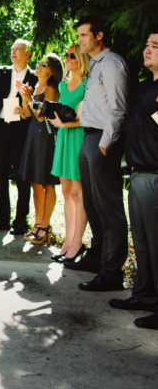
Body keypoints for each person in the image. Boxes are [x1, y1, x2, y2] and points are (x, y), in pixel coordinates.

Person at [72, 17, 129, 292]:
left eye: (84, 35)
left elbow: (118, 109)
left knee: (109, 208)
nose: (80, 40)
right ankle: (96, 259)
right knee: (92, 205)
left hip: (102, 141)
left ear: (99, 36)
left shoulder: (113, 64)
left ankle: (111, 273)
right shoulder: (94, 66)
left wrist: (105, 145)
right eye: (79, 35)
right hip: (88, 138)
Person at [112, 29, 158, 328]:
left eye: (155, 46)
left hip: (155, 177)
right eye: (147, 44)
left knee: (156, 243)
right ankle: (144, 295)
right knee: (141, 241)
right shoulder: (143, 88)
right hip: (137, 174)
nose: (147, 49)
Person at [0, 40, 37, 234]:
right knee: (0, 175)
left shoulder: (34, 77)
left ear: (28, 54)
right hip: (0, 129)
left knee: (21, 177)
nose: (13, 52)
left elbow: (39, 104)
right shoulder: (1, 71)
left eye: (18, 49)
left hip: (21, 130)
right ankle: (2, 220)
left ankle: (21, 222)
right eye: (12, 49)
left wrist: (27, 107)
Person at [48, 44, 89, 263]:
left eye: (72, 56)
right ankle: (68, 240)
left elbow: (86, 117)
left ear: (81, 58)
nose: (68, 59)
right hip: (63, 140)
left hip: (77, 138)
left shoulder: (87, 84)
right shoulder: (63, 85)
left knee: (78, 193)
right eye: (66, 55)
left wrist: (63, 125)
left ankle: (77, 242)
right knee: (66, 191)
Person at [17, 53, 63, 245]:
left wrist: (28, 97)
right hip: (33, 136)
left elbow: (42, 116)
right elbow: (30, 115)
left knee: (46, 183)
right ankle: (37, 223)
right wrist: (24, 99)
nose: (39, 66)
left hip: (45, 138)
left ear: (52, 71)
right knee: (35, 182)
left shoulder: (52, 89)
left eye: (44, 64)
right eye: (39, 63)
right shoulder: (38, 86)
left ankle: (45, 226)